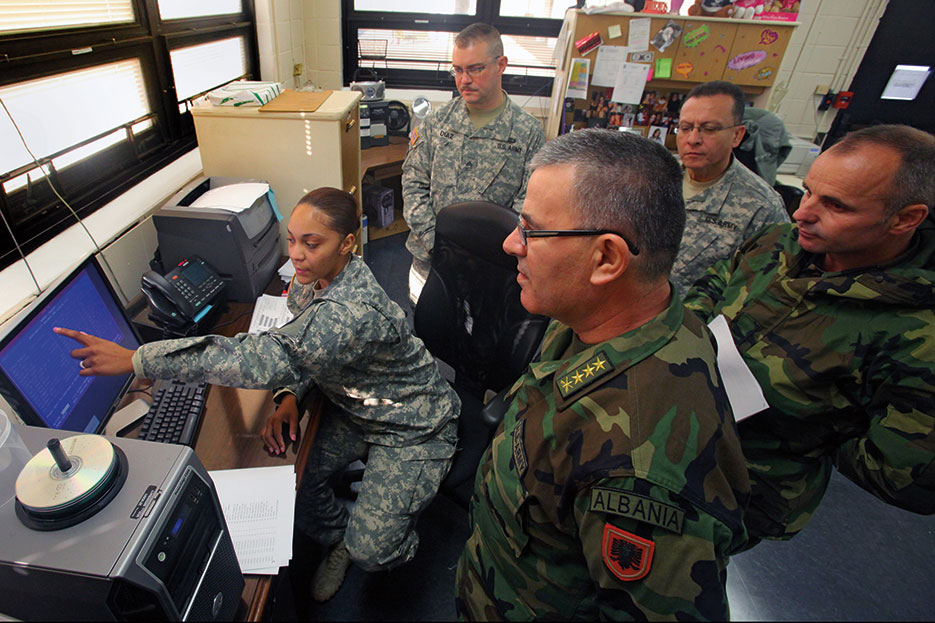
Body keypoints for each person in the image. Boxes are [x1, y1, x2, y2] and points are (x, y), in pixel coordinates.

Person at [55, 187, 460, 603]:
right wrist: (289, 396)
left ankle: (382, 541)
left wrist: (138, 359)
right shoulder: (312, 281)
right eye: (292, 239)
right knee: (297, 488)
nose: (296, 254)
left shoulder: (349, 312)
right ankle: (344, 537)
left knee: (373, 552)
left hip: (412, 423)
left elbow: (267, 355)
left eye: (311, 243)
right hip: (356, 405)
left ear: (347, 244)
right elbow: (303, 353)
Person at [456, 129, 751, 620]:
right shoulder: (613, 316)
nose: (511, 243)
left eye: (531, 230)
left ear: (607, 258)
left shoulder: (639, 472)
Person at [684, 124, 935, 545]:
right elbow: (716, 282)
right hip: (679, 434)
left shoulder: (917, 332)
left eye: (835, 205)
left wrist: (810, 423)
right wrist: (690, 338)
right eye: (808, 191)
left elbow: (907, 476)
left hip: (747, 488)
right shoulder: (782, 242)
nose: (803, 212)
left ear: (906, 219)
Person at [402, 22, 544, 305]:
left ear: (501, 65)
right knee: (422, 330)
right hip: (431, 258)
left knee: (484, 338)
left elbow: (528, 204)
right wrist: (436, 244)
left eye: (475, 69)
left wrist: (484, 253)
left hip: (491, 263)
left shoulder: (528, 132)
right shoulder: (437, 123)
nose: (463, 79)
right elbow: (413, 183)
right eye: (457, 69)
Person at [672, 80, 789, 296]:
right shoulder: (657, 177)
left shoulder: (761, 207)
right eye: (685, 128)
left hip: (695, 322)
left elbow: (767, 289)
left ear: (737, 135)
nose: (693, 139)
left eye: (709, 129)